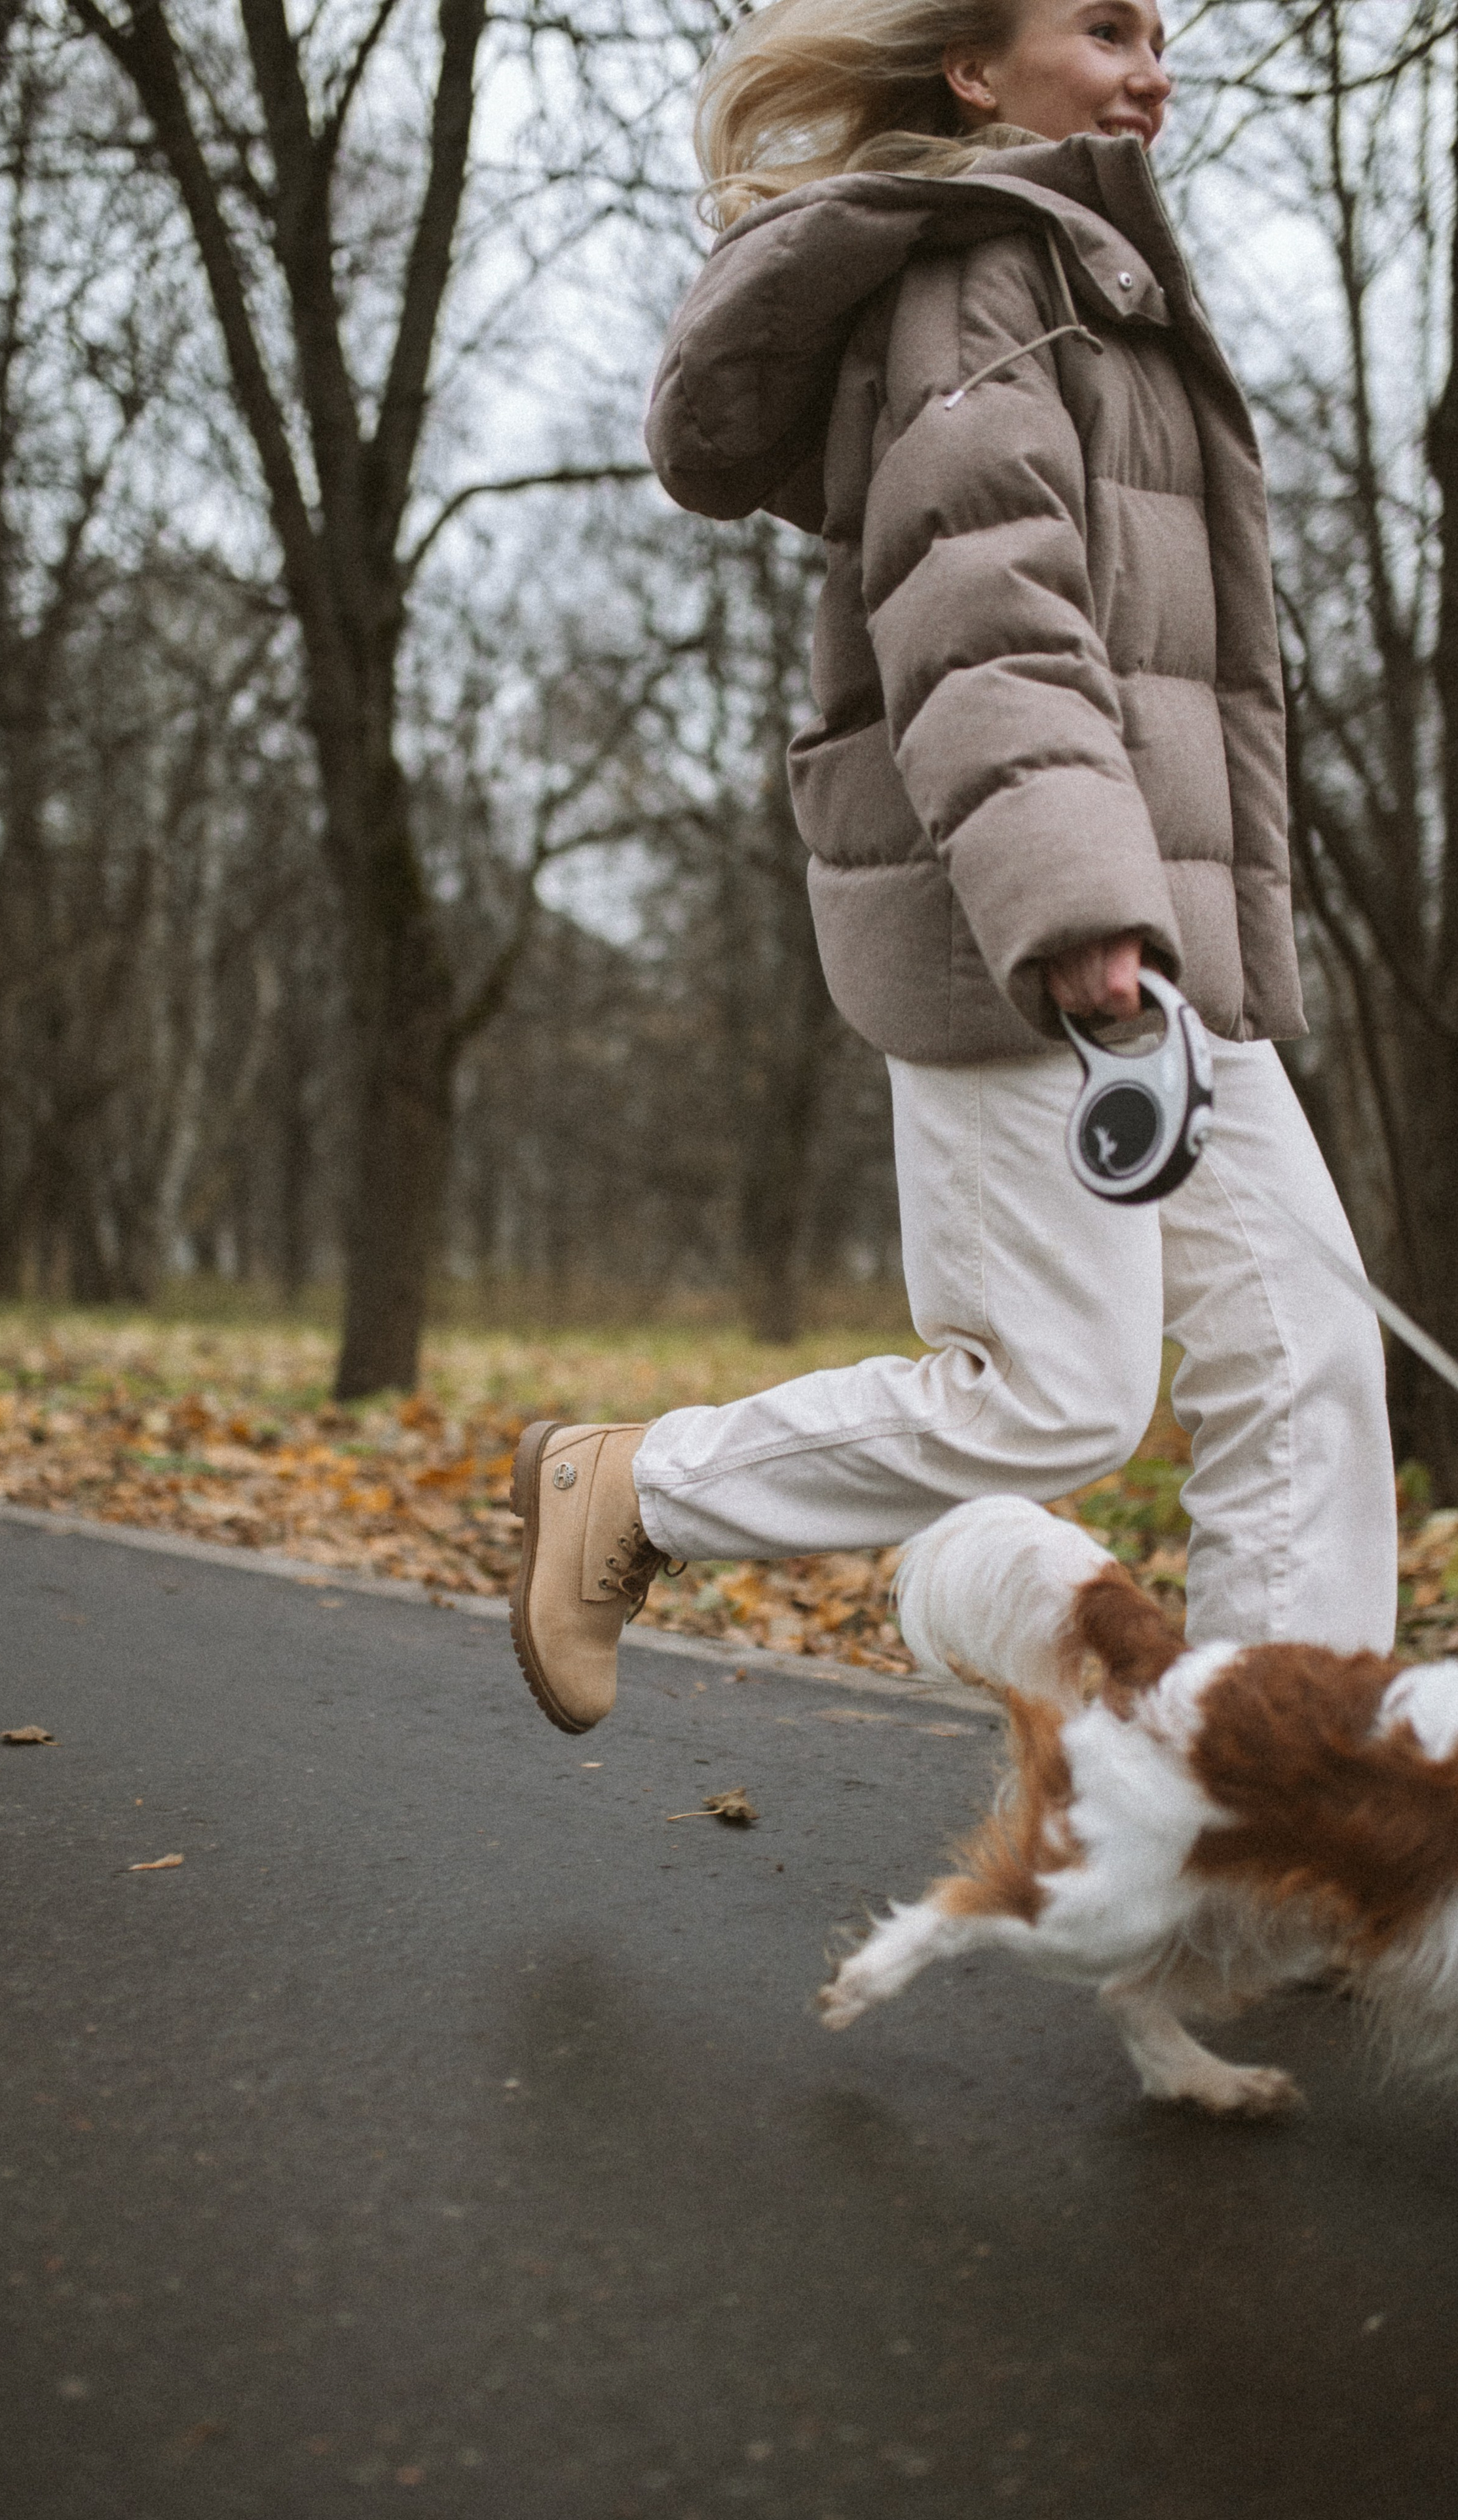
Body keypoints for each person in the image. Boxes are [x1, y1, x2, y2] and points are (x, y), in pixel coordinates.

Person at [507, 0, 1398, 1737]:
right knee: (1054, 1398)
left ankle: (1282, 1811)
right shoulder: (977, 284)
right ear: (976, 72)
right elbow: (982, 626)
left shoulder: (1104, 289)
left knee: (1307, 1364)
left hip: (1165, 937)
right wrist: (1077, 913)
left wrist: (1160, 927)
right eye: (1108, 27)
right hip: (1034, 925)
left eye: (1164, 31)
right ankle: (635, 1491)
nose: (1154, 67)